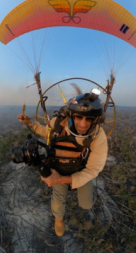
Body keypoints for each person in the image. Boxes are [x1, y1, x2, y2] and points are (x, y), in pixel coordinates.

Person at [17, 91, 108, 236]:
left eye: (89, 119)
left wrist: (63, 180)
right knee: (57, 203)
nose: (83, 124)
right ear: (71, 115)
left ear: (96, 120)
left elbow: (93, 170)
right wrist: (30, 123)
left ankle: (86, 198)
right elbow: (46, 132)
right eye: (79, 117)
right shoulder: (58, 124)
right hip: (58, 168)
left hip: (81, 170)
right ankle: (58, 220)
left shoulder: (98, 136)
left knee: (87, 204)